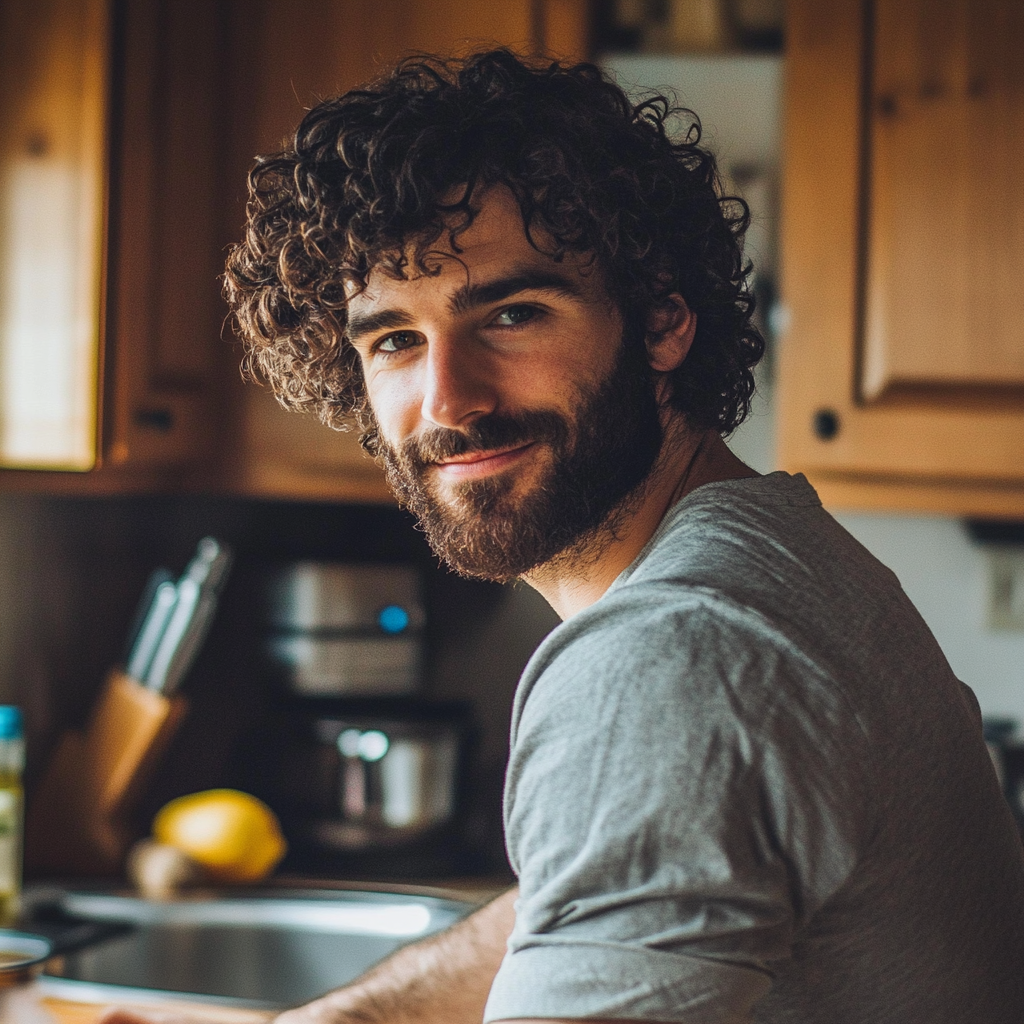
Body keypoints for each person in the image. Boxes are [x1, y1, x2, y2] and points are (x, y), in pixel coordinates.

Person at [103, 50, 1024, 1024]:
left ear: (663, 320)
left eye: (509, 313)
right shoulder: (769, 552)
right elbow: (593, 889)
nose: (446, 398)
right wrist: (350, 1017)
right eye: (395, 340)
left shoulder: (668, 661)